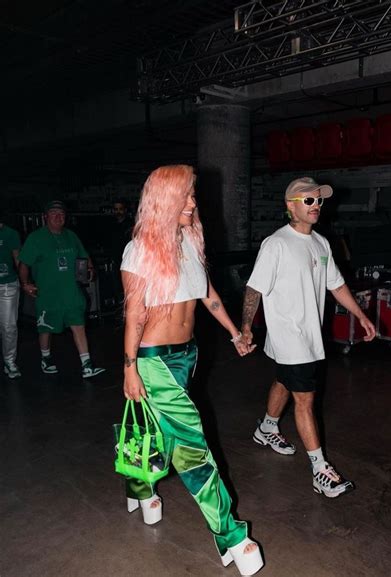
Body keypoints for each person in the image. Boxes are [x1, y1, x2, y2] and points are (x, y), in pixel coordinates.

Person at [120, 165, 264, 576]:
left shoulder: (188, 242)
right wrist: (130, 368)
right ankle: (231, 535)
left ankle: (139, 486)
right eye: (185, 196)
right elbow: (134, 314)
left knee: (162, 432)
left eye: (193, 195)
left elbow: (208, 294)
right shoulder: (140, 250)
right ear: (164, 200)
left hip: (187, 355)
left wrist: (236, 332)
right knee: (192, 445)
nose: (192, 203)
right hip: (152, 359)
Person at [241, 177, 376, 498]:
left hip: (310, 334)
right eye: (309, 201)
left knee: (285, 382)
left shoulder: (321, 243)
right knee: (305, 399)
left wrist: (360, 314)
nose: (316, 206)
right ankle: (320, 470)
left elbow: (336, 285)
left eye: (319, 201)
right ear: (290, 206)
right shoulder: (276, 244)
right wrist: (246, 326)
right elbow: (254, 287)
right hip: (290, 335)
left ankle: (267, 428)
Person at [18, 200, 105, 379]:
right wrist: (25, 283)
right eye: (54, 214)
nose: (58, 217)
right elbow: (24, 263)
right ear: (46, 217)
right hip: (48, 294)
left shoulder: (71, 236)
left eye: (62, 214)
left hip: (71, 292)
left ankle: (87, 365)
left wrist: (90, 270)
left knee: (78, 325)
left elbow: (84, 256)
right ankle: (45, 358)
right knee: (45, 328)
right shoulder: (36, 238)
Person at [0, 212, 22, 379]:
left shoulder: (10, 234)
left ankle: (9, 361)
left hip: (7, 285)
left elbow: (17, 260)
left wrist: (26, 281)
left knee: (9, 327)